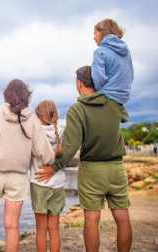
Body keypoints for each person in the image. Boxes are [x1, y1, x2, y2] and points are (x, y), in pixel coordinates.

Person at [37, 66, 132, 252]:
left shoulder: (77, 109)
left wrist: (55, 167)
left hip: (91, 169)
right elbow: (124, 117)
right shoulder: (114, 103)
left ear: (79, 84)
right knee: (122, 217)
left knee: (91, 219)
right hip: (117, 168)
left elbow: (70, 146)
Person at [0, 79, 54, 252]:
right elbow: (44, 151)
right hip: (18, 178)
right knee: (12, 227)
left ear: (6, 95)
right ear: (27, 97)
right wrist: (51, 161)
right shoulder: (32, 118)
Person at [29, 100, 65, 252]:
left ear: (38, 116)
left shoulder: (34, 132)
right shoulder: (62, 129)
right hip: (58, 185)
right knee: (54, 229)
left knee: (41, 230)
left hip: (39, 184)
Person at [92, 18, 134, 105]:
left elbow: (98, 81)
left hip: (107, 98)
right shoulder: (126, 52)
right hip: (123, 99)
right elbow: (130, 75)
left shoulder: (99, 52)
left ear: (102, 32)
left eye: (95, 33)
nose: (94, 38)